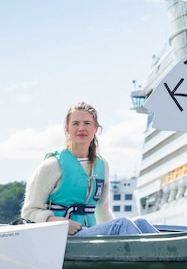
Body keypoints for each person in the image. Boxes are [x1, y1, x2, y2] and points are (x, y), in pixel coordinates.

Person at [21, 101, 158, 236]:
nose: (81, 128)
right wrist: (60, 222)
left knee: (141, 222)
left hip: (89, 232)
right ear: (67, 128)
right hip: (61, 236)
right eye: (75, 123)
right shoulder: (51, 166)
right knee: (122, 224)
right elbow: (29, 212)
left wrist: (117, 233)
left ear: (96, 128)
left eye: (87, 123)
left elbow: (103, 211)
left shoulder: (102, 165)